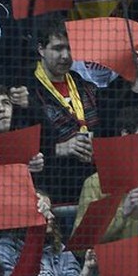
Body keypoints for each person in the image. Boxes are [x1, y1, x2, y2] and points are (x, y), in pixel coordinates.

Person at [27, 18, 98, 204]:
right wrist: (58, 149)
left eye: (70, 48)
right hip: (55, 189)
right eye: (58, 48)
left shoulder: (84, 86)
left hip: (92, 184)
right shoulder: (27, 93)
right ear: (41, 49)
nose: (66, 56)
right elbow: (20, 149)